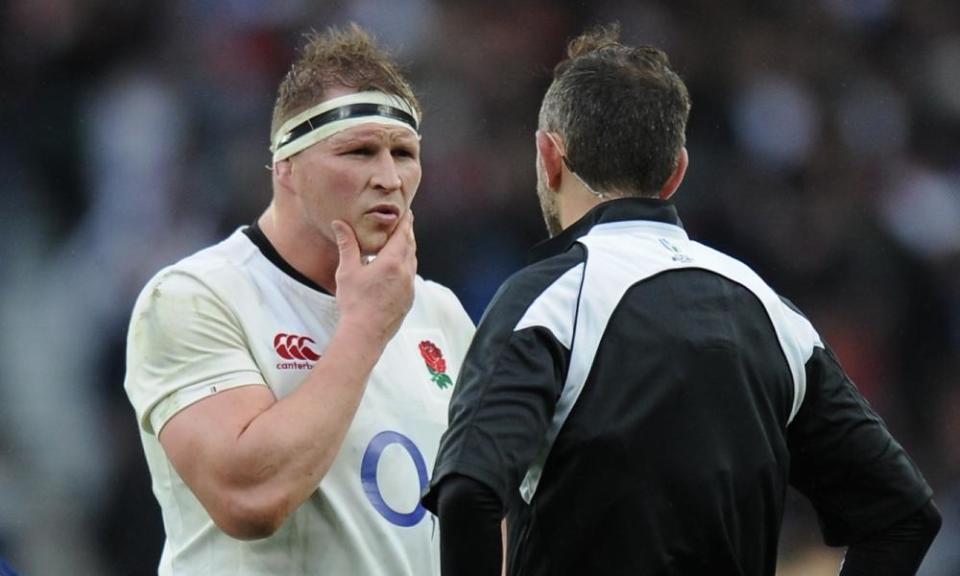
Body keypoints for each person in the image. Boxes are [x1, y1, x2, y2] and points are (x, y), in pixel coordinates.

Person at [422, 24, 941, 576]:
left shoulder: (546, 300)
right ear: (676, 173)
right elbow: (903, 514)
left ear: (549, 156)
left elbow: (469, 491)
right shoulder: (771, 313)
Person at [124, 24, 475, 575]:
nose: (389, 178)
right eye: (359, 151)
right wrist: (364, 328)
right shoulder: (195, 297)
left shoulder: (440, 315)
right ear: (284, 164)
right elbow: (250, 500)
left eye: (403, 153)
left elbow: (484, 521)